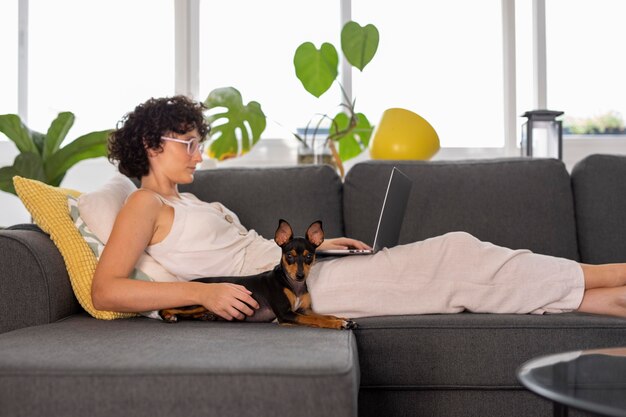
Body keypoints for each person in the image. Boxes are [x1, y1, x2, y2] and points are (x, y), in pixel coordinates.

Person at [92, 95, 626, 321]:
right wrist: (200, 293)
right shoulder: (143, 202)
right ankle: (609, 278)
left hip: (300, 270)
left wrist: (323, 251)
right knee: (456, 258)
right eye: (186, 142)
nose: (198, 152)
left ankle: (605, 301)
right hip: (284, 291)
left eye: (197, 141)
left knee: (458, 264)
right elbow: (107, 288)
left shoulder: (187, 200)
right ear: (149, 146)